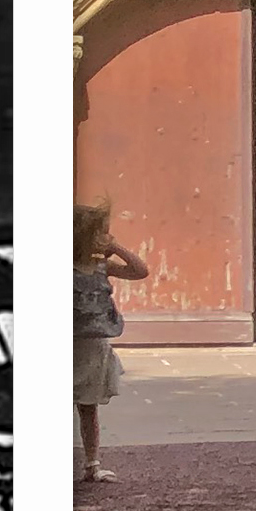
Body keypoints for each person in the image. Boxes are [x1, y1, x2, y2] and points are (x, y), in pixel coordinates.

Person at [73, 204, 146, 483]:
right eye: (100, 233)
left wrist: (116, 247)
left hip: (94, 347)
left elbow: (140, 270)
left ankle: (92, 464)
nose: (106, 237)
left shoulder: (102, 267)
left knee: (89, 408)